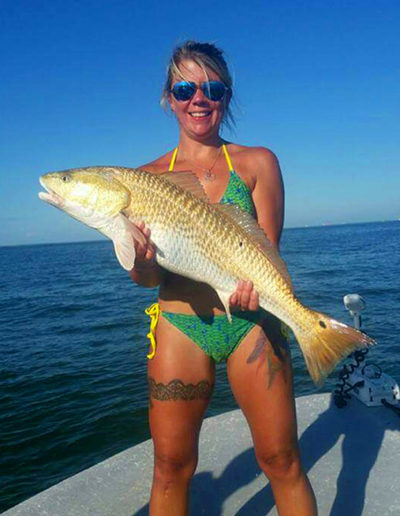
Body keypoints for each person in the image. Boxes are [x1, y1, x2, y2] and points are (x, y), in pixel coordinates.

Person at [130, 41, 318, 516]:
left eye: (212, 88)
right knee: (170, 466)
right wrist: (144, 260)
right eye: (185, 88)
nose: (199, 98)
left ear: (226, 97)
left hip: (251, 321)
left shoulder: (257, 163)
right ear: (168, 99)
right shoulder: (145, 178)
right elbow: (145, 278)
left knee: (282, 460)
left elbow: (267, 252)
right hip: (180, 322)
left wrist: (259, 292)